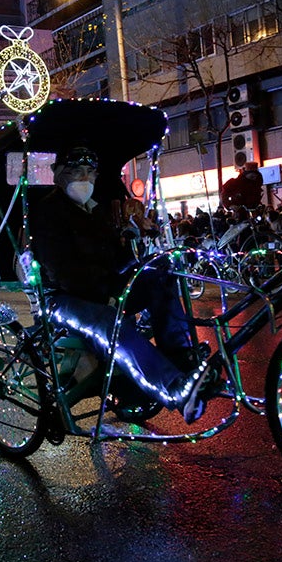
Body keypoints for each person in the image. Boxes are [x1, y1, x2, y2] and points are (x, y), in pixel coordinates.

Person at [31, 146, 214, 423]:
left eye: (91, 173)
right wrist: (109, 294)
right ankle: (176, 390)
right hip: (63, 298)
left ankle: (183, 359)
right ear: (59, 175)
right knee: (111, 323)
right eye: (78, 172)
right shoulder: (47, 212)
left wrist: (141, 260)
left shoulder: (96, 211)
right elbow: (63, 273)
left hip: (105, 288)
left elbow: (116, 260)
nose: (86, 179)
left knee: (159, 276)